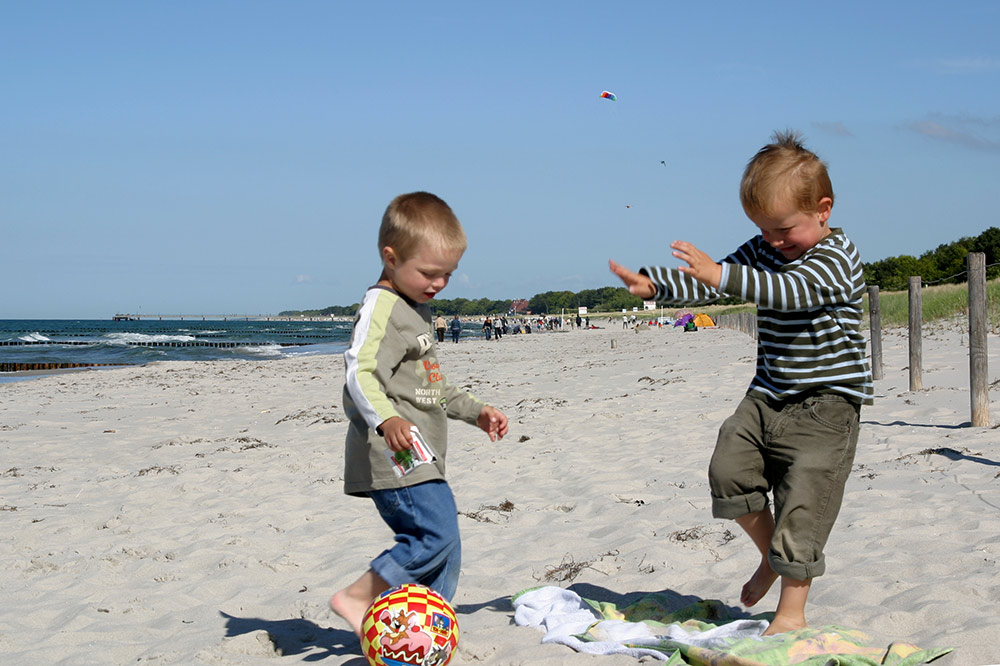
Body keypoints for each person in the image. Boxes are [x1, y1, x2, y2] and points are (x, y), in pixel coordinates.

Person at [609, 130, 873, 636]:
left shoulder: (838, 258)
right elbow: (719, 275)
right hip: (769, 393)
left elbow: (788, 291)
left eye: (783, 230)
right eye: (763, 231)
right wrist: (657, 285)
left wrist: (720, 275)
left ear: (824, 209)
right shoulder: (765, 247)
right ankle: (769, 556)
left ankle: (791, 612)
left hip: (827, 405)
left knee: (805, 504)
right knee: (728, 469)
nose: (773, 242)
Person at [331, 192, 509, 637]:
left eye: (447, 274)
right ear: (390, 258)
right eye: (429, 273)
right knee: (434, 535)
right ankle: (358, 597)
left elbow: (433, 387)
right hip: (394, 452)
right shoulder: (382, 307)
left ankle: (422, 627)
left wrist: (476, 411)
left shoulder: (414, 308)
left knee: (446, 546)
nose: (439, 284)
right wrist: (385, 419)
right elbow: (360, 371)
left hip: (422, 453)